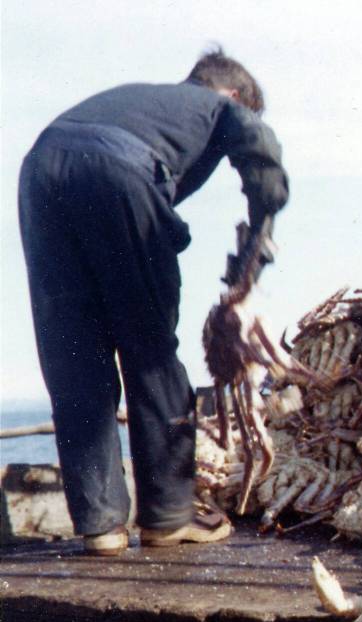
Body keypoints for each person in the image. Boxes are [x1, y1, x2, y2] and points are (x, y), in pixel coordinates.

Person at [18, 48, 289, 556]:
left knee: (74, 355)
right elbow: (259, 142)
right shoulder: (215, 105)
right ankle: (167, 516)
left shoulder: (142, 104)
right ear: (232, 94)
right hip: (117, 171)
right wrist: (262, 225)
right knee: (150, 349)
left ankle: (100, 525)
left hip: (40, 172)